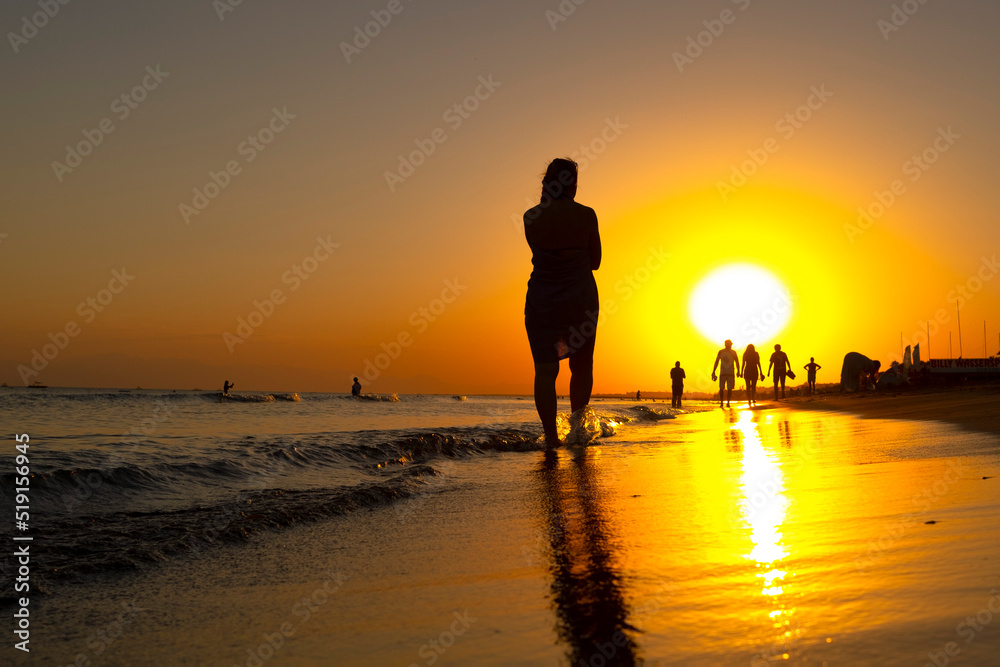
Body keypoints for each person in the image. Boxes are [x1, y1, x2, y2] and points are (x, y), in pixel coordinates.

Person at [523, 158, 601, 446]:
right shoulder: (586, 215)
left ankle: (552, 439)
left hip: (542, 300)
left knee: (545, 370)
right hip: (579, 299)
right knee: (581, 367)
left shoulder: (530, 217)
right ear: (573, 184)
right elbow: (595, 262)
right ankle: (579, 433)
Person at [712, 339, 740, 408]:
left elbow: (717, 362)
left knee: (724, 388)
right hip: (726, 373)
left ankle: (724, 402)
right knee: (726, 389)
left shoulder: (723, 352)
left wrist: (713, 371)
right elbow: (737, 362)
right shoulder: (726, 352)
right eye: (730, 344)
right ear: (729, 345)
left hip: (725, 373)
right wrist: (738, 371)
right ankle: (726, 402)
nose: (730, 346)